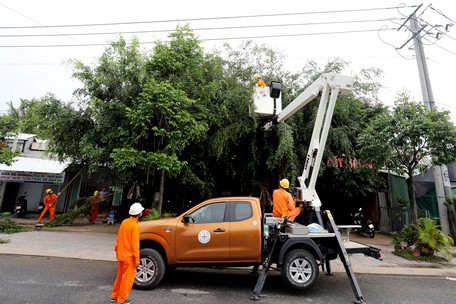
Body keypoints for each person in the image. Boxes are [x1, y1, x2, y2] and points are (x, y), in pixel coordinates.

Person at [110, 202, 144, 304]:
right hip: (129, 258)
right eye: (141, 211)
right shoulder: (135, 226)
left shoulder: (124, 222)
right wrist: (137, 259)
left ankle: (114, 297)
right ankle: (121, 300)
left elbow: (119, 238)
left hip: (121, 255)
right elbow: (135, 245)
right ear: (139, 214)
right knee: (127, 280)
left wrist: (117, 250)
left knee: (119, 277)